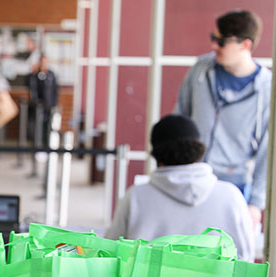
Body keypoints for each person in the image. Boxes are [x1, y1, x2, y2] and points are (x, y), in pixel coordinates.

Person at [105, 114, 254, 261]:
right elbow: (247, 256)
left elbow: (110, 252)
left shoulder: (135, 197)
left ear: (157, 156)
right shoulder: (231, 195)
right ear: (199, 150)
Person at [173, 10, 271, 229]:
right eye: (213, 38)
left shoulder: (267, 89)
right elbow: (179, 118)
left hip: (234, 185)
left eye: (221, 41)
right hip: (190, 176)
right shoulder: (201, 70)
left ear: (245, 45)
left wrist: (255, 203)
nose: (214, 46)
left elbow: (268, 151)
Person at [27, 54, 58, 148]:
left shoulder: (51, 75)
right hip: (38, 106)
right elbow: (31, 88)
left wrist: (54, 103)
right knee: (37, 125)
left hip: (49, 105)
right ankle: (36, 144)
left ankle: (46, 144)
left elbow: (55, 90)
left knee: (48, 125)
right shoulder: (35, 75)